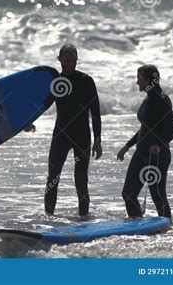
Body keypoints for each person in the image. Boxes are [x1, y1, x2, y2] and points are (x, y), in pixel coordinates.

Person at [44, 44, 102, 217]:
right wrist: (25, 122)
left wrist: (98, 140)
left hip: (82, 135)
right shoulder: (55, 82)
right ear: (60, 59)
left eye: (74, 60)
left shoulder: (86, 81)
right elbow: (41, 104)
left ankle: (83, 219)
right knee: (52, 178)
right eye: (67, 60)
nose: (70, 64)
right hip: (61, 135)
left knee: (81, 180)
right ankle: (49, 218)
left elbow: (96, 112)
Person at [116, 65, 173, 219]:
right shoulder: (148, 98)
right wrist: (127, 146)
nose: (137, 83)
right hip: (141, 153)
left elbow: (172, 130)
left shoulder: (162, 100)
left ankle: (166, 225)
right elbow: (146, 128)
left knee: (157, 194)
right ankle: (137, 224)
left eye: (139, 79)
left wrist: (159, 145)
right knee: (128, 193)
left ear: (149, 79)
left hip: (157, 156)